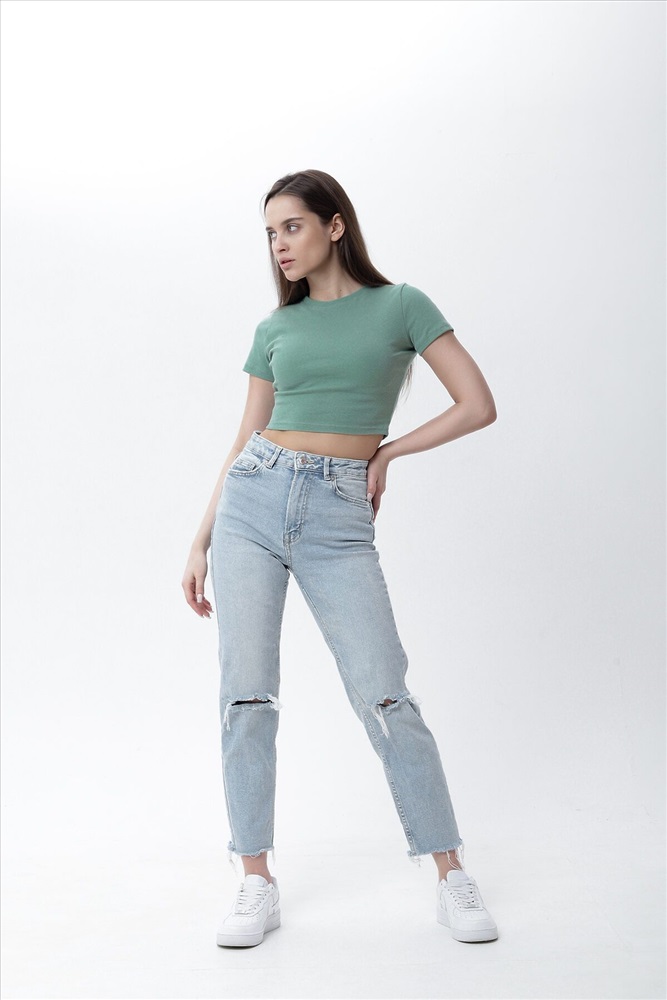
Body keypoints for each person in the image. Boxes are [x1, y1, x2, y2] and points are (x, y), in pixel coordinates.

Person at [182, 169, 499, 948]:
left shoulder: (401, 306)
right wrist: (201, 536)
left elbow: (476, 404)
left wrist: (386, 452)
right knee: (245, 696)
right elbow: (242, 438)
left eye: (291, 226)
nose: (278, 244)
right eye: (269, 233)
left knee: (384, 694)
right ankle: (254, 880)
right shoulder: (275, 328)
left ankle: (448, 870)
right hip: (251, 501)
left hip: (337, 511)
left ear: (334, 226)